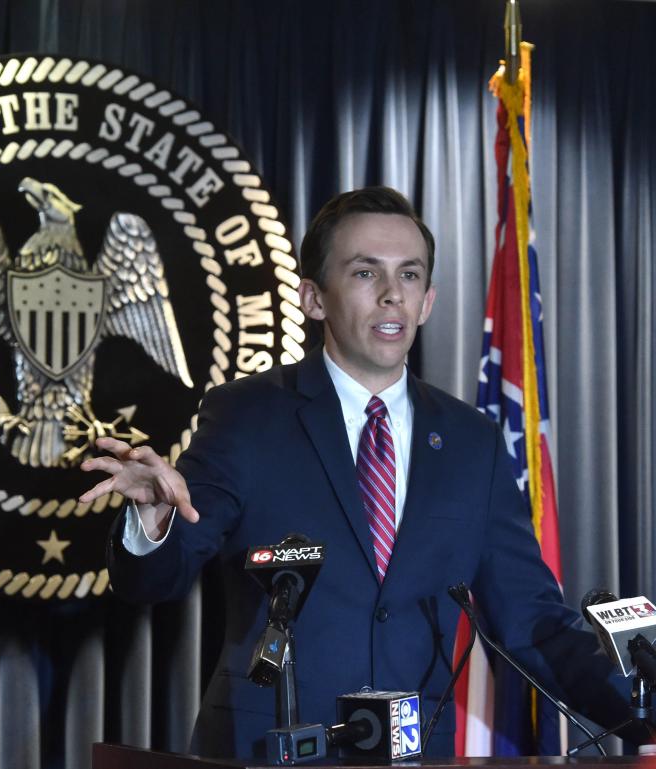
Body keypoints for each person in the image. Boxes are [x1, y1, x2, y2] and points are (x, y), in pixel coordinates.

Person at [80, 187, 632, 759]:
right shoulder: (248, 415)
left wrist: (642, 708)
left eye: (410, 276)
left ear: (428, 301)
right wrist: (151, 523)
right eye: (367, 273)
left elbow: (532, 622)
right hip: (269, 748)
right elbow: (154, 581)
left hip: (415, 753)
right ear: (314, 299)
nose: (393, 295)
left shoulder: (474, 443)